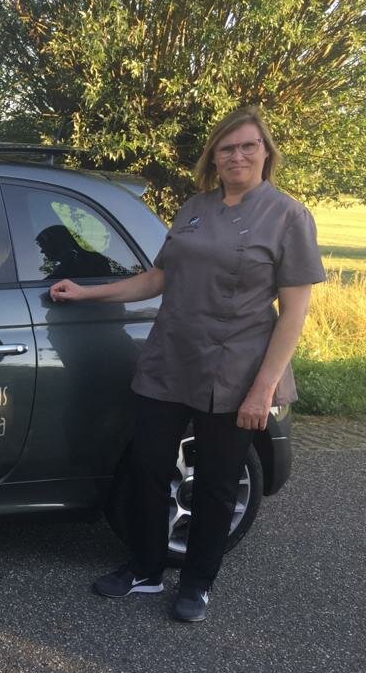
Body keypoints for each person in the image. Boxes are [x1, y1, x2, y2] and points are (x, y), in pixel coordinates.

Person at [50, 106, 326, 622]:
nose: (237, 155)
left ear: (266, 152)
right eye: (227, 148)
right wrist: (87, 293)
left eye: (248, 146)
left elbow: (294, 312)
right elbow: (158, 279)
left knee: (218, 482)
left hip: (235, 369)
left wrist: (263, 389)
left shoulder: (289, 216)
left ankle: (198, 582)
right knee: (148, 467)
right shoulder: (195, 208)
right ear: (213, 157)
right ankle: (147, 568)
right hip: (170, 358)